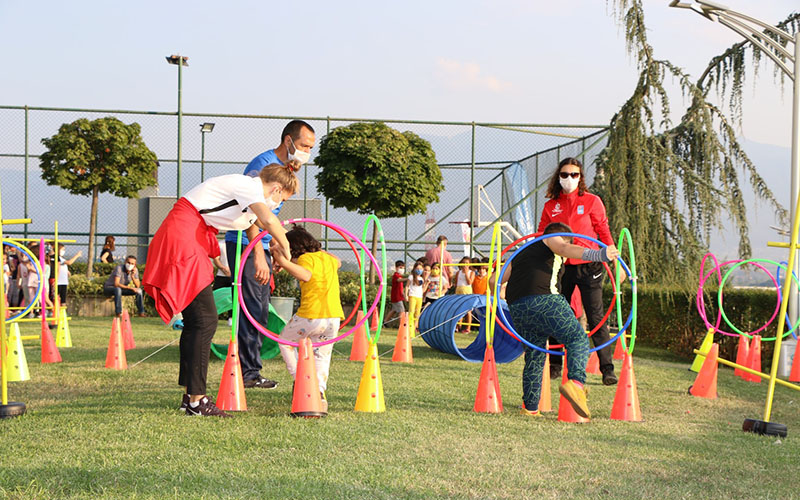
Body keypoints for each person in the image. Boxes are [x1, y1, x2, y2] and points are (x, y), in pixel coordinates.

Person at [143, 164, 298, 418]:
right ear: (276, 188)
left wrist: (275, 251)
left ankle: (190, 397)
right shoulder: (249, 186)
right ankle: (196, 400)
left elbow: (258, 224)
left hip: (192, 234)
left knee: (197, 321)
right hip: (185, 234)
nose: (278, 204)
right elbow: (269, 220)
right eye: (282, 198)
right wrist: (287, 247)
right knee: (204, 320)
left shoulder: (248, 200)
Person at [224, 119, 316, 390]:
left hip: (260, 245)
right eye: (303, 146)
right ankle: (247, 374)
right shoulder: (262, 165)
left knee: (261, 310)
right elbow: (251, 213)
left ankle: (250, 371)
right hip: (244, 243)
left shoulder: (285, 167)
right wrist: (258, 255)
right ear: (288, 141)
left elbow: (271, 218)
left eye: (310, 148)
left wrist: (273, 249)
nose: (306, 152)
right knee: (251, 309)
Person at [501, 222, 619, 418]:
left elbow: (495, 280)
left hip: (518, 309)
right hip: (545, 300)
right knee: (577, 339)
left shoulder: (520, 253)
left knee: (535, 356)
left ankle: (530, 408)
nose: (564, 258)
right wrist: (599, 255)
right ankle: (576, 384)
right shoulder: (550, 239)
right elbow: (564, 247)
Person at [538, 157, 619, 386]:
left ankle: (607, 369)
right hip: (562, 266)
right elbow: (541, 236)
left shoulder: (592, 201)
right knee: (557, 313)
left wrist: (612, 254)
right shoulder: (550, 206)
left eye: (574, 175)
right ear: (558, 177)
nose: (569, 179)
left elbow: (602, 229)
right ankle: (555, 364)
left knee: (596, 316)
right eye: (565, 175)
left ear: (581, 177)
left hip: (590, 265)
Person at [274, 225, 344, 414]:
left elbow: (305, 275)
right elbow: (338, 262)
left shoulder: (305, 259)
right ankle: (319, 394)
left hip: (310, 315)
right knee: (321, 356)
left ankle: (301, 379)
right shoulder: (328, 258)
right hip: (333, 318)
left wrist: (282, 260)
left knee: (285, 342)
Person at [453, 257, 475, 333]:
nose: (465, 265)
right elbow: (456, 283)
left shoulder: (471, 272)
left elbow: (470, 282)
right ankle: (458, 326)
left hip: (467, 290)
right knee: (458, 309)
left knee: (468, 310)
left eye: (467, 263)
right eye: (463, 263)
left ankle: (468, 328)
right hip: (459, 290)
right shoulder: (458, 272)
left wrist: (466, 273)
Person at [383, 260, 406, 327]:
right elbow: (399, 280)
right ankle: (402, 325)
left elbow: (401, 289)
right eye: (401, 267)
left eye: (403, 268)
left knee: (394, 310)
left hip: (399, 296)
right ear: (396, 268)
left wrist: (404, 295)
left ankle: (385, 321)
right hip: (396, 297)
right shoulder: (396, 275)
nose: (402, 269)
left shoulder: (400, 276)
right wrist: (408, 279)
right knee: (402, 311)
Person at [405, 260, 425, 333]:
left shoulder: (421, 279)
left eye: (420, 269)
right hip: (412, 296)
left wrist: (427, 284)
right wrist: (406, 295)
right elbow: (407, 286)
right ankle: (410, 326)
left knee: (417, 313)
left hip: (419, 297)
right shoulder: (411, 277)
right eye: (417, 268)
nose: (419, 270)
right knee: (411, 311)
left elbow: (422, 289)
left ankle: (415, 327)